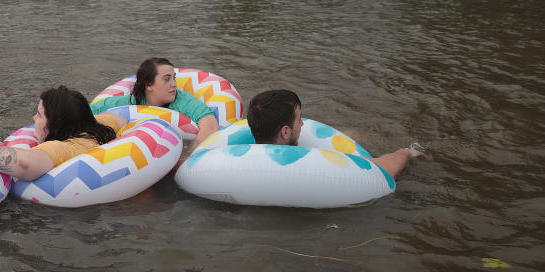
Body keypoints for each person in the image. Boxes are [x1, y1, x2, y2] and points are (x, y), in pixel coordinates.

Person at [0, 86, 122, 181]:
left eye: (39, 114)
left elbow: (26, 164)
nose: (34, 117)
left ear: (55, 123)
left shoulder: (64, 148)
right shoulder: (102, 126)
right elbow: (120, 117)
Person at [246, 89, 419, 178]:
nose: (302, 123)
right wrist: (406, 152)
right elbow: (383, 170)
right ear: (285, 132)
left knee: (348, 134)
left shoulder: (241, 160)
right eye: (299, 119)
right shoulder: (311, 162)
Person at [90, 57, 219, 152]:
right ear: (148, 84)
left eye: (174, 78)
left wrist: (188, 156)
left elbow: (211, 127)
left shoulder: (183, 101)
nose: (174, 84)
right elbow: (87, 112)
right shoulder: (128, 103)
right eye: (167, 79)